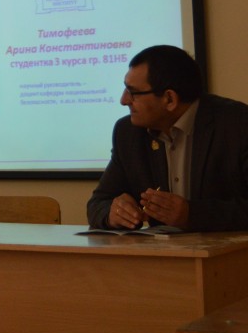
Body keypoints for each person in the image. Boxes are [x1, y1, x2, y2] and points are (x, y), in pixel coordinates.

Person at [87, 44, 248, 232]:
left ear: (169, 99)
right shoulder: (128, 132)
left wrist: (191, 214)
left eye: (133, 92)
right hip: (164, 250)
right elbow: (98, 203)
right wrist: (113, 213)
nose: (123, 100)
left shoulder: (238, 125)